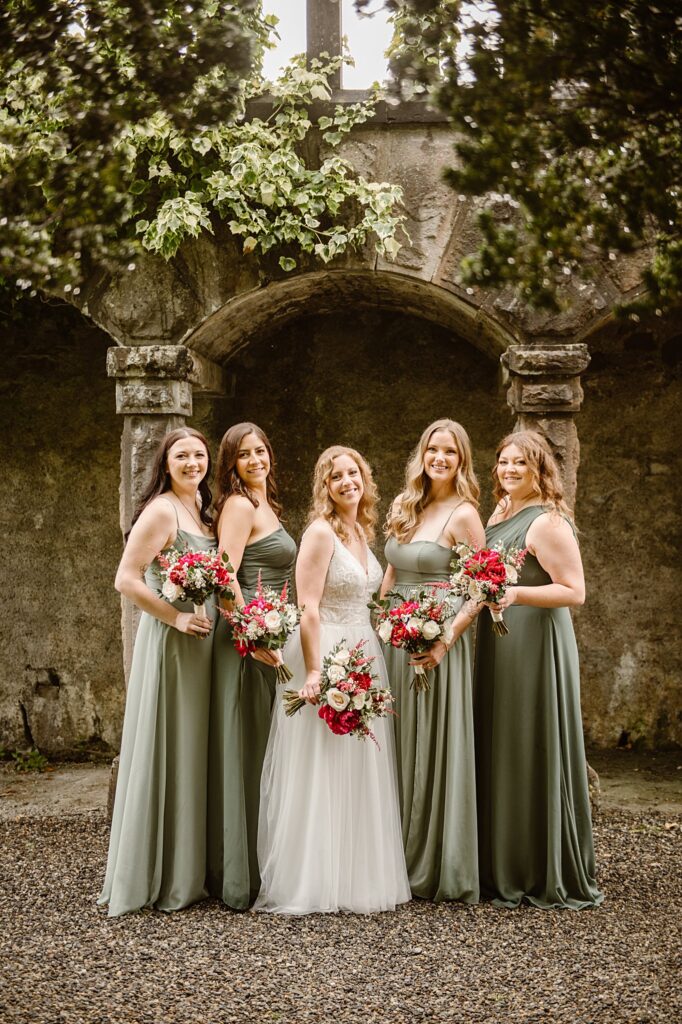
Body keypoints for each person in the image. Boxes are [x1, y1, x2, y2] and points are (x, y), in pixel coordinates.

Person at [254, 445, 411, 914]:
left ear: (365, 479)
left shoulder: (362, 531)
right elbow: (308, 607)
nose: (347, 482)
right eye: (336, 476)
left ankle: (357, 876)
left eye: (354, 473)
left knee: (361, 763)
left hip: (365, 648)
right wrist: (318, 669)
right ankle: (316, 879)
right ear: (324, 487)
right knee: (320, 765)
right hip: (326, 651)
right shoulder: (319, 534)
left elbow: (372, 591)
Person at [474, 429, 603, 909]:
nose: (509, 471)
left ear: (539, 470)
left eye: (520, 465)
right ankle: (500, 861)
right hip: (500, 641)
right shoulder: (502, 512)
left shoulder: (548, 522)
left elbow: (574, 591)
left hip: (535, 643)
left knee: (531, 740)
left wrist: (516, 594)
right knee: (503, 739)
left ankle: (536, 866)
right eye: (504, 463)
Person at [99, 428, 216, 917]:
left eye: (199, 455)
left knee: (194, 748)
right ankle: (161, 872)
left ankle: (191, 864)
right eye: (181, 456)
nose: (192, 463)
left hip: (203, 642)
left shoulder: (201, 512)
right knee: (171, 745)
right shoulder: (162, 509)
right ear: (165, 464)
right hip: (172, 642)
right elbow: (126, 578)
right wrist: (176, 617)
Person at [382, 418, 485, 902]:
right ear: (421, 456)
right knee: (393, 739)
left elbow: (480, 588)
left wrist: (446, 639)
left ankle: (427, 858)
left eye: (449, 452)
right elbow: (389, 572)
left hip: (435, 640)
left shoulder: (464, 514)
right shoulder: (405, 505)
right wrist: (375, 624)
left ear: (461, 460)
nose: (439, 458)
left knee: (428, 742)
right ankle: (384, 854)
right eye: (432, 450)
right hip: (392, 637)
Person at [207, 423, 296, 909]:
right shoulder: (240, 506)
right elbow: (225, 577)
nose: (256, 459)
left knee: (267, 751)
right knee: (250, 751)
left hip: (270, 636)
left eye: (261, 450)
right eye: (244, 455)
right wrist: (252, 635)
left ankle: (268, 861)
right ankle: (244, 874)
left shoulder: (267, 504)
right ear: (231, 464)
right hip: (248, 644)